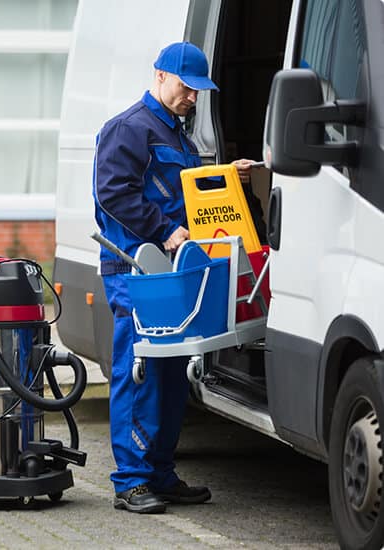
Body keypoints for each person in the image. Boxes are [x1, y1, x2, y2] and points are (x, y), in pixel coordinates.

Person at [92, 41, 254, 514]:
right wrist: (164, 231)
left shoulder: (175, 135)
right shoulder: (129, 130)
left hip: (170, 271)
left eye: (199, 91)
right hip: (135, 270)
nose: (193, 98)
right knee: (137, 370)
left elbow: (183, 193)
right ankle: (130, 481)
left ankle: (159, 473)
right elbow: (111, 194)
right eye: (187, 87)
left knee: (170, 374)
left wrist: (224, 175)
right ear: (160, 76)